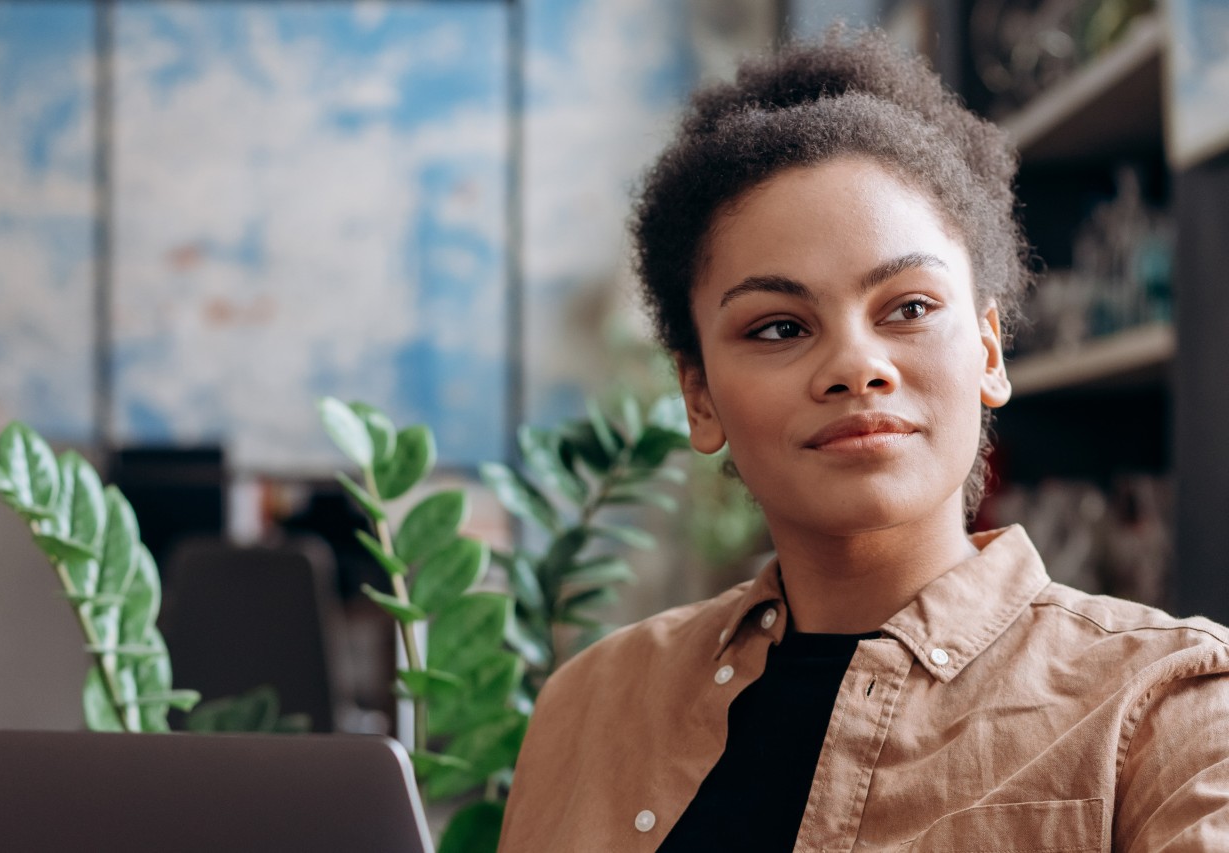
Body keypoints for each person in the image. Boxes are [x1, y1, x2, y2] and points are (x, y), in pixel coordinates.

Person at [497, 28, 1229, 852]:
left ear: (987, 351)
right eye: (778, 327)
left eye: (909, 307)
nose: (855, 366)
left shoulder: (1167, 706)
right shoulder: (589, 701)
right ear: (698, 395)